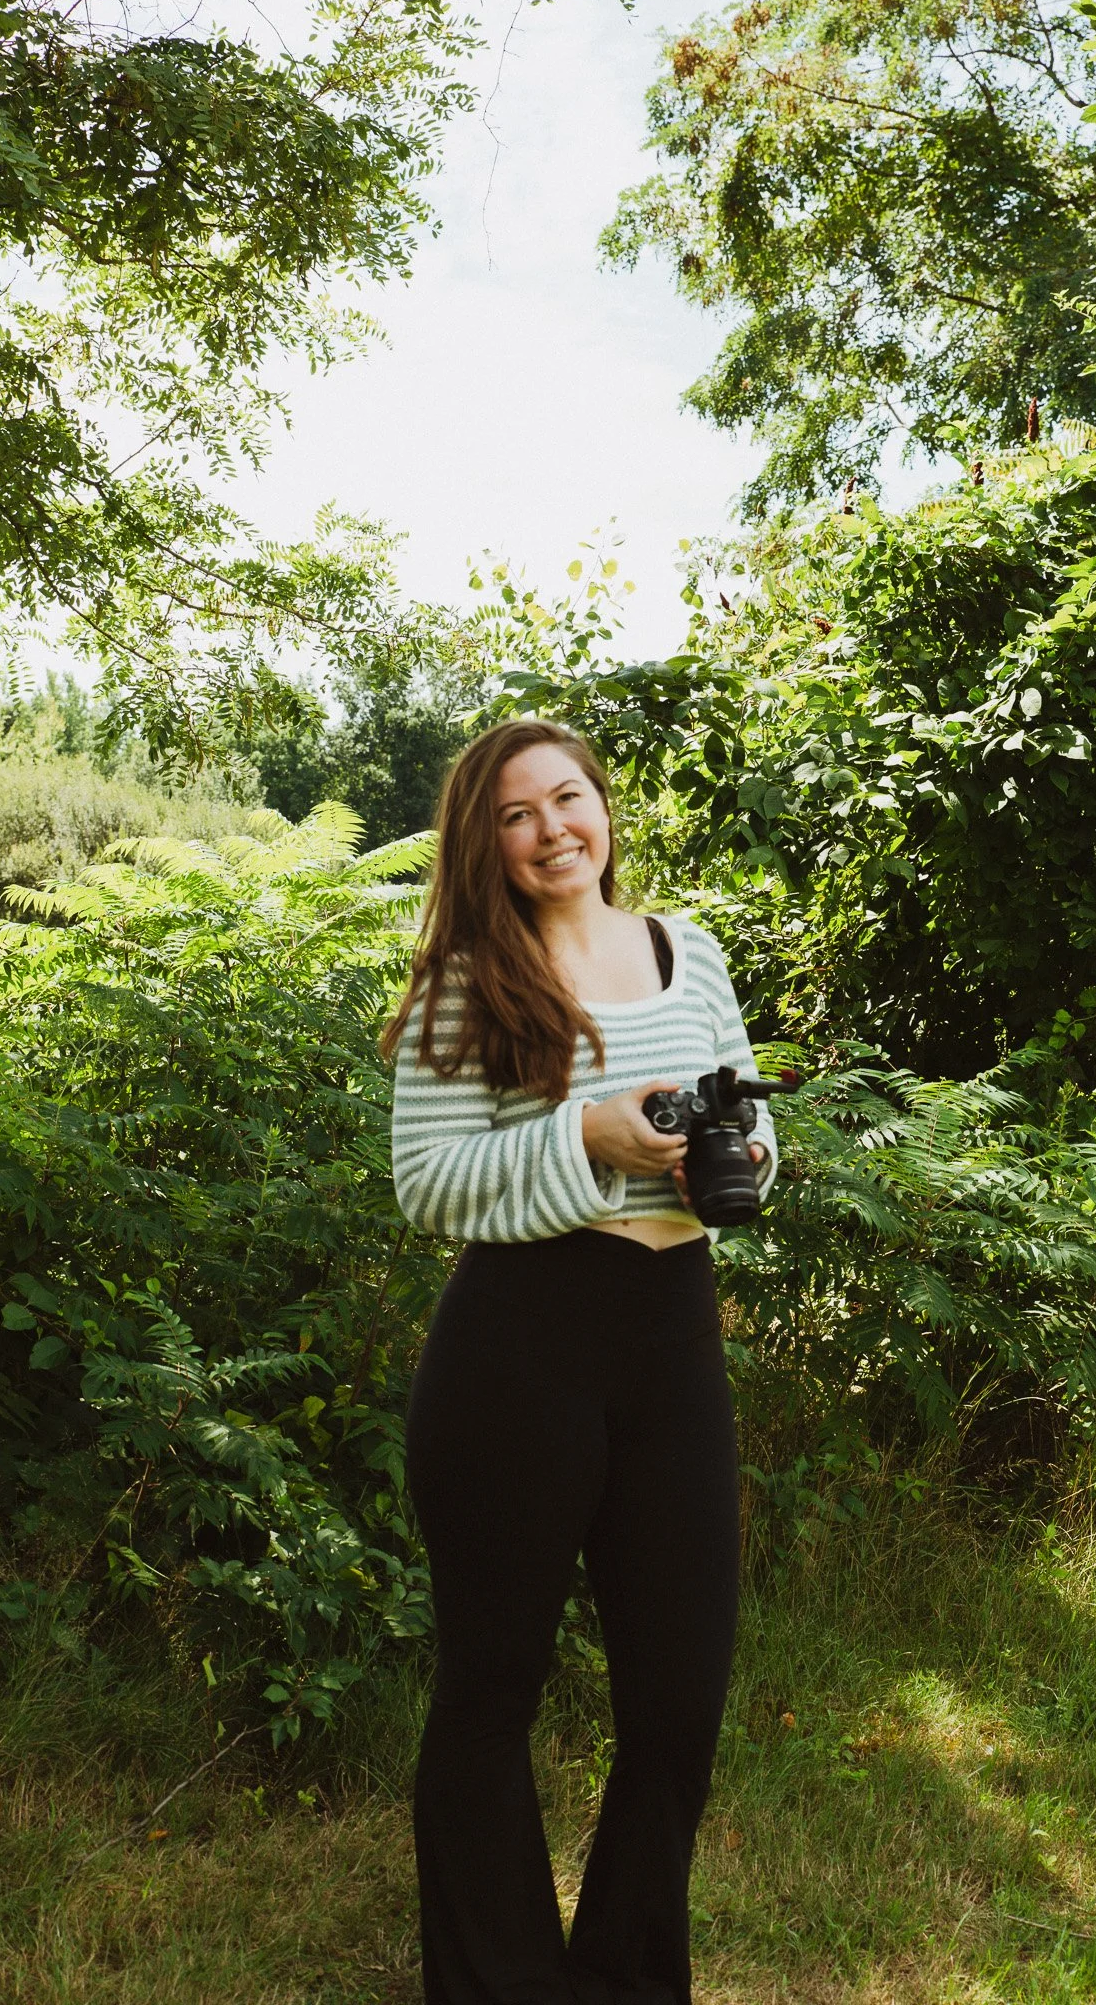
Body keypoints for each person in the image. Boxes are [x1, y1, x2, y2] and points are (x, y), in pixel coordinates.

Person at [382, 717, 776, 2005]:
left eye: (570, 799)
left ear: (603, 808)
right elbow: (430, 1186)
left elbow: (745, 1105)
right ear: (483, 843)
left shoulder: (689, 953)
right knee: (493, 1691)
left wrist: (742, 1160)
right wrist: (593, 1139)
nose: (554, 830)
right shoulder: (466, 981)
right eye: (517, 815)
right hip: (520, 1350)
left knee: (679, 1698)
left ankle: (623, 1980)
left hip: (671, 1344)